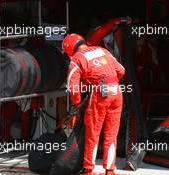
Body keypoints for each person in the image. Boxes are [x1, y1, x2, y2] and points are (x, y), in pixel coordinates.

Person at [62, 33, 125, 175]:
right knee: (111, 134)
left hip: (100, 94)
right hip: (116, 92)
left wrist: (77, 104)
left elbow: (73, 86)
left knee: (93, 133)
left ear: (69, 49)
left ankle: (88, 169)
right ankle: (110, 170)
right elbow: (121, 70)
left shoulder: (77, 59)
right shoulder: (102, 50)